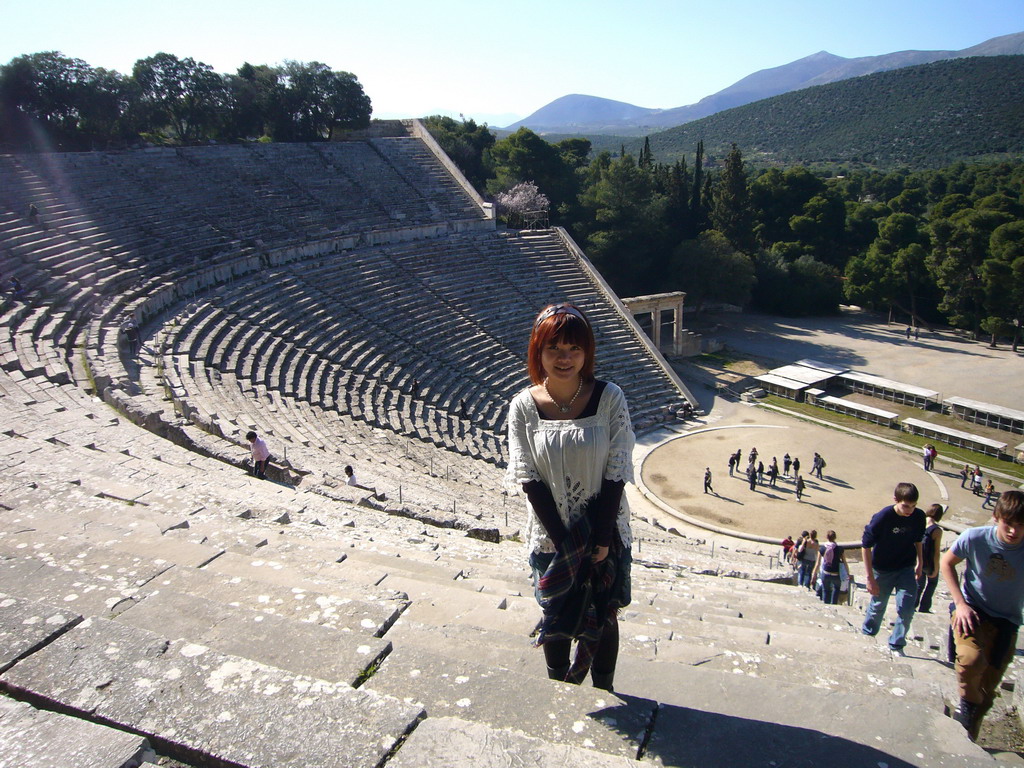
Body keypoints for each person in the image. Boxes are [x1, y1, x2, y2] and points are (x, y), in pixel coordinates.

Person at [506, 303, 633, 691]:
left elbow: (617, 470)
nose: (564, 358)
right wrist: (567, 545)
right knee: (557, 616)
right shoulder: (523, 407)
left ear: (587, 352)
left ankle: (603, 689)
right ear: (537, 351)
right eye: (554, 348)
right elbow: (528, 478)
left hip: (605, 532)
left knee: (603, 613)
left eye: (574, 349)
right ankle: (559, 691)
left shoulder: (610, 398)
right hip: (550, 536)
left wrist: (596, 541)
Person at [941, 490, 1024, 741]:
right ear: (996, 517)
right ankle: (966, 706)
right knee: (970, 660)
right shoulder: (975, 537)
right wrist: (960, 603)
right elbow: (947, 563)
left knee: (988, 690)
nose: (1013, 531)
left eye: (1021, 525)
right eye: (1008, 524)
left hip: (1007, 619)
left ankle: (970, 728)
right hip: (973, 609)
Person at [861, 482, 926, 654]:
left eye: (913, 506)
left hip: (906, 567)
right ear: (896, 500)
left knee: (907, 608)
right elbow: (865, 546)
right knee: (878, 605)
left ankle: (897, 643)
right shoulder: (883, 517)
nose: (909, 510)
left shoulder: (918, 516)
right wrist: (870, 578)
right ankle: (868, 634)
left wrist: (920, 562)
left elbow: (918, 540)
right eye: (905, 506)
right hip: (883, 569)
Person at [916, 504, 944, 613]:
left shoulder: (920, 523)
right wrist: (936, 569)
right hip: (929, 562)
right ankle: (924, 607)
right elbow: (936, 552)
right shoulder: (937, 530)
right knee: (932, 583)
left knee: (919, 584)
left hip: (918, 559)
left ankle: (913, 605)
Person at [811, 530, 848, 605]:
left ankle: (826, 606)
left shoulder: (822, 549)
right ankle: (834, 605)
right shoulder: (840, 549)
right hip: (836, 574)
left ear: (827, 537)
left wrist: (814, 574)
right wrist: (848, 573)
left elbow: (817, 563)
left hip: (826, 573)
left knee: (825, 590)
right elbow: (844, 562)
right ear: (835, 538)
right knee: (836, 589)